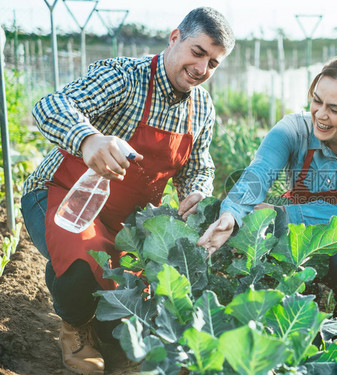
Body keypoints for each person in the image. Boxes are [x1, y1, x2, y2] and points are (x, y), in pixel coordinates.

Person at [20, 7, 234, 374]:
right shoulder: (124, 77)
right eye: (197, 53)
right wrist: (87, 139)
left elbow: (199, 166)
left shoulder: (201, 109)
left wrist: (196, 192)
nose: (202, 69)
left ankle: (103, 329)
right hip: (63, 196)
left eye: (213, 63)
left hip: (125, 225)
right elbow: (51, 105)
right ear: (174, 37)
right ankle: (75, 326)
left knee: (124, 306)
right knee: (81, 265)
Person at [197, 52, 337, 328]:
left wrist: (283, 214)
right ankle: (303, 296)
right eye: (316, 101)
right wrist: (231, 214)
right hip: (298, 216)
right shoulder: (293, 130)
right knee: (267, 243)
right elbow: (258, 175)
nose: (320, 115)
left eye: (335, 109)